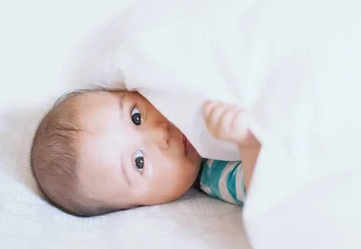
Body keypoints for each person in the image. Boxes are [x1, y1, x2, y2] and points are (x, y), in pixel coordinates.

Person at [29, 87, 261, 217]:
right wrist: (248, 144)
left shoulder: (174, 87)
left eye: (136, 117)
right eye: (139, 162)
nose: (160, 135)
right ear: (142, 204)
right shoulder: (216, 175)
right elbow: (261, 189)